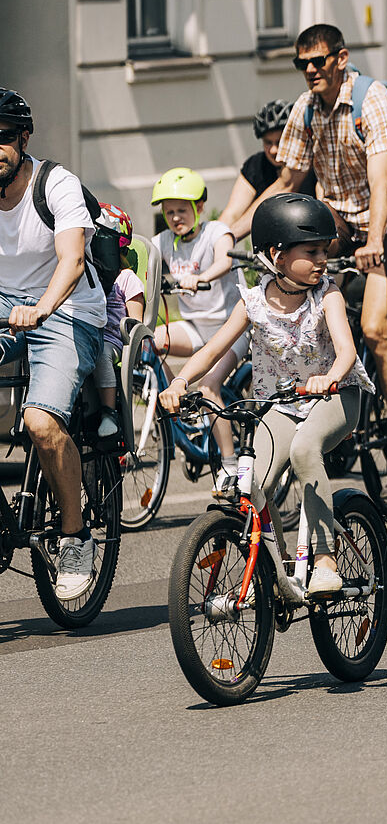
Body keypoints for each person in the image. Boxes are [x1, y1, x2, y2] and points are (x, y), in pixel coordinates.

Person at [227, 23, 387, 501]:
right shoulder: (305, 109)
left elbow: (381, 180)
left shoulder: (371, 99)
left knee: (378, 329)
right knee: (288, 273)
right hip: (337, 219)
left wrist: (374, 239)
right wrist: (227, 229)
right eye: (303, 64)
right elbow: (288, 182)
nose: (311, 71)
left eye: (319, 61)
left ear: (341, 58)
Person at [159, 194, 374, 595]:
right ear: (277, 254)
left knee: (306, 450)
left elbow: (346, 351)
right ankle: (269, 570)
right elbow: (212, 350)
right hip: (280, 405)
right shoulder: (253, 302)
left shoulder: (328, 295)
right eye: (311, 251)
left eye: (324, 250)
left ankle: (325, 558)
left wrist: (328, 377)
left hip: (336, 396)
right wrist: (178, 383)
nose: (322, 259)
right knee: (252, 484)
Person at [0, 88, 108, 598]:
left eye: (2, 137)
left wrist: (41, 307)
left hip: (65, 310)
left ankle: (75, 534)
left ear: (23, 138)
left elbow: (72, 258)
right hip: (6, 306)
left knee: (41, 423)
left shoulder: (55, 184)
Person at [150, 166, 246, 495]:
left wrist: (201, 277)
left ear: (199, 208)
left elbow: (225, 261)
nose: (175, 217)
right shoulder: (163, 241)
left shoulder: (217, 232)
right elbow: (141, 261)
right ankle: (171, 411)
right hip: (195, 328)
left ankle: (230, 469)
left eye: (182, 210)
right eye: (169, 211)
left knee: (208, 387)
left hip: (230, 330)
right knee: (151, 344)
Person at [93, 202, 145, 441]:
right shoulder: (84, 276)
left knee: (101, 351)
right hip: (86, 334)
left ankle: (108, 413)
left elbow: (135, 323)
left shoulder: (127, 278)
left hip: (112, 341)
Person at [222, 100, 318, 217]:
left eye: (280, 142)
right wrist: (216, 234)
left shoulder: (312, 163)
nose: (273, 150)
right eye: (268, 142)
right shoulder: (256, 165)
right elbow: (233, 213)